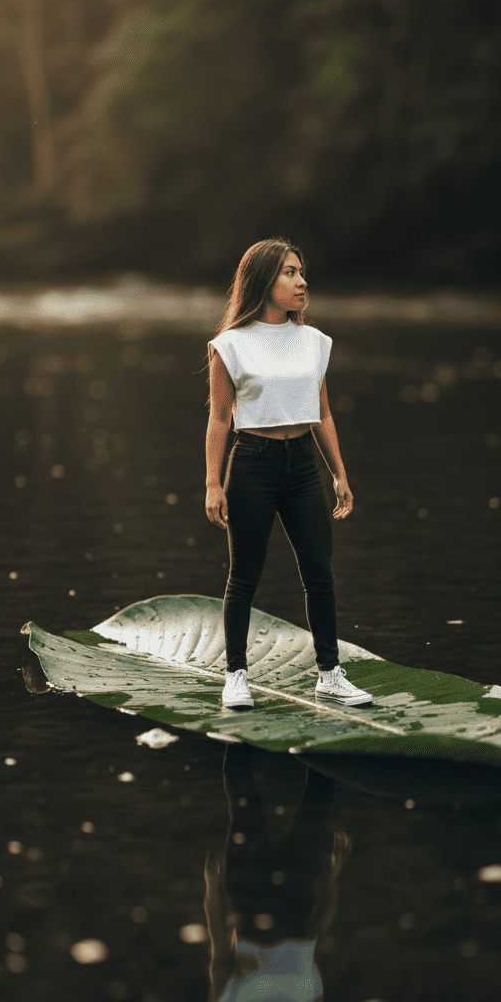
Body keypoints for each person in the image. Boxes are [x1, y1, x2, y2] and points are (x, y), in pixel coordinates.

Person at [204, 237, 373, 709]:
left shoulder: (314, 342)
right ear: (263, 280)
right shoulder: (229, 344)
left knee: (320, 571)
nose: (301, 282)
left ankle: (329, 674)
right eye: (289, 273)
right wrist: (213, 483)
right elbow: (219, 416)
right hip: (253, 462)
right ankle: (235, 675)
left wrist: (339, 473)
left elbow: (322, 412)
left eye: (301, 272)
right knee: (244, 576)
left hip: (302, 466)